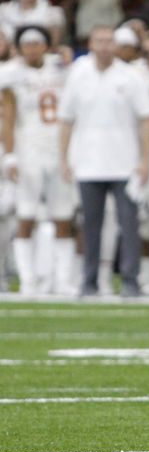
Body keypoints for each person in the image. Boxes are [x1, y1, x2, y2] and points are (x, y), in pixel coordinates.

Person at [60, 25, 149, 298]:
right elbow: (66, 120)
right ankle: (89, 281)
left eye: (108, 41)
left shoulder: (131, 77)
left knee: (129, 224)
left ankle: (130, 281)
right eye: (99, 41)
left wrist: (145, 159)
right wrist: (65, 158)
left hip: (125, 163)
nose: (104, 46)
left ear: (115, 45)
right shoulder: (77, 75)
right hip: (87, 161)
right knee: (90, 225)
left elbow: (147, 118)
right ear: (90, 43)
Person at [0, 26, 75, 296]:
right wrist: (9, 155)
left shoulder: (61, 68)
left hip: (59, 152)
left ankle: (63, 279)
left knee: (63, 217)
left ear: (46, 45)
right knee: (25, 217)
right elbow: (7, 118)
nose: (33, 48)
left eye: (37, 43)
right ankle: (29, 280)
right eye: (27, 44)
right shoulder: (11, 74)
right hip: (28, 152)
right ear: (19, 48)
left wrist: (65, 54)